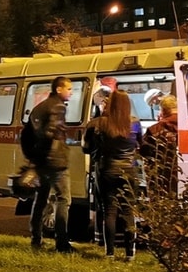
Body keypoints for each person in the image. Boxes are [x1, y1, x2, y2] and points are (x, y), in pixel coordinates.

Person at [83, 90, 142, 262]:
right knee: (128, 211)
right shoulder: (134, 123)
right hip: (129, 171)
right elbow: (140, 144)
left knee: (109, 210)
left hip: (106, 170)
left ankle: (110, 252)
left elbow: (86, 148)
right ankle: (130, 253)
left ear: (110, 103)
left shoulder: (97, 123)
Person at [20, 76, 75, 252]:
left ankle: (36, 238)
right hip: (55, 161)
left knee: (41, 198)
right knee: (63, 199)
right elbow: (50, 133)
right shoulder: (58, 107)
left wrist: (33, 157)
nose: (71, 92)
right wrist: (52, 153)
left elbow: (25, 135)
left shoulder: (39, 107)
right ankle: (62, 242)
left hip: (40, 161)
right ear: (59, 89)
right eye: (69, 89)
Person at [139, 94, 179, 197]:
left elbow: (144, 151)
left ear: (163, 110)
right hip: (186, 177)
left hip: (161, 179)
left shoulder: (155, 130)